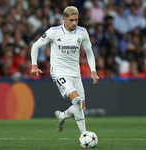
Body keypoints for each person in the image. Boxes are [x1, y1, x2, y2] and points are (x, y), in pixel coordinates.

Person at [30, 6, 99, 134]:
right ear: (64, 19)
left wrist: (93, 70)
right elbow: (35, 46)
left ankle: (62, 116)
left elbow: (89, 52)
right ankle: (84, 135)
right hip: (59, 72)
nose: (74, 23)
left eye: (76, 20)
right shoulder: (53, 32)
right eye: (71, 20)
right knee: (77, 100)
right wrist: (34, 65)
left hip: (75, 73)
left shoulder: (82, 32)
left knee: (81, 107)